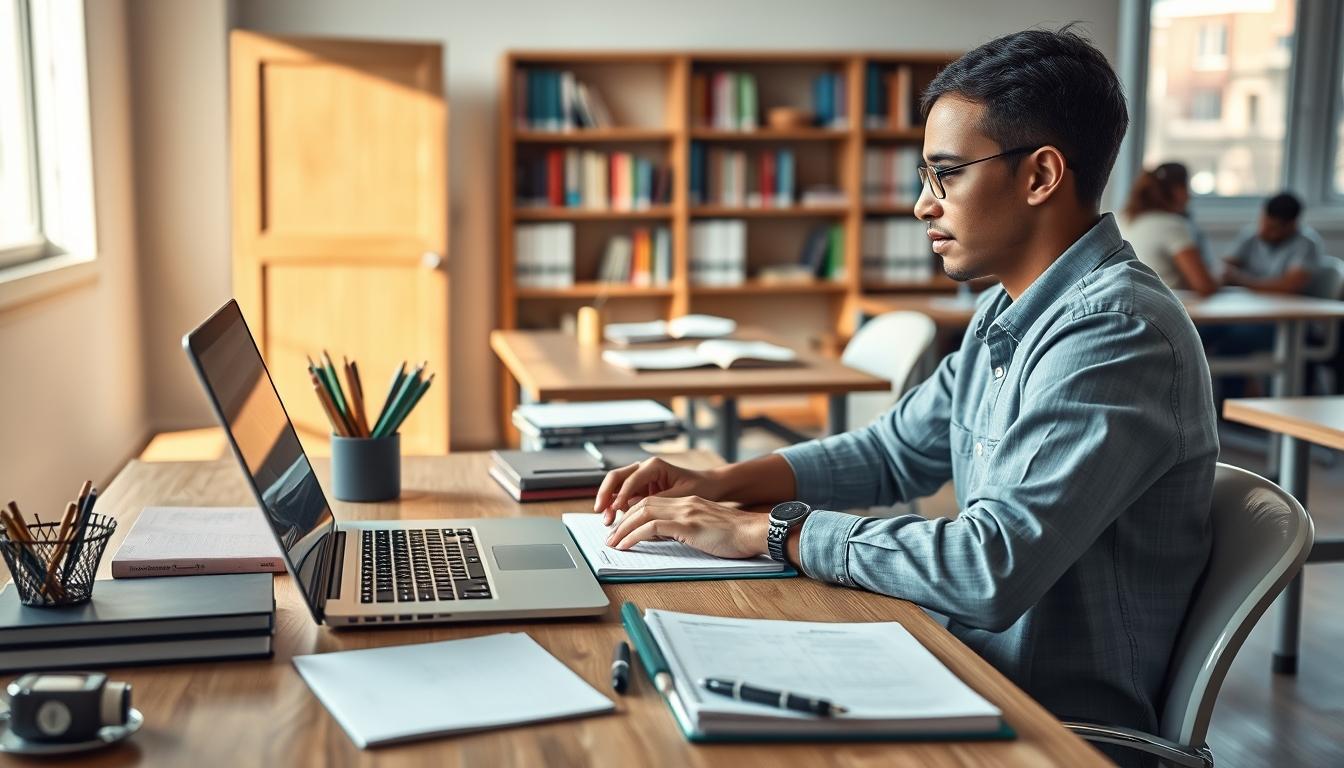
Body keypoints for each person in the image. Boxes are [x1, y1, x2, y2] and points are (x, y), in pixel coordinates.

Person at [594, 27, 1217, 766]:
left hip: (1044, 728)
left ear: (1041, 175)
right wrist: (720, 483)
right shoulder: (1008, 308)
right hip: (957, 669)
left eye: (944, 176)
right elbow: (894, 452)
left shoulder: (1116, 332)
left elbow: (988, 567)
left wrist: (769, 529)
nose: (924, 206)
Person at [1118, 162, 1219, 296]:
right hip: (1166, 306)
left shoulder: (1122, 220)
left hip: (1132, 301)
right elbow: (1204, 285)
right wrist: (1223, 275)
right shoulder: (1172, 225)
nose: (1189, 196)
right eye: (1187, 188)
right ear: (1178, 191)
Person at [1224, 192, 1326, 295]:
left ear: (1292, 225)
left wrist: (1240, 279)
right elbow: (1225, 268)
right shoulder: (1251, 235)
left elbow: (1290, 287)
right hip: (1255, 302)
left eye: (1272, 228)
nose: (1263, 231)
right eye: (1263, 223)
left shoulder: (1307, 244)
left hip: (1293, 307)